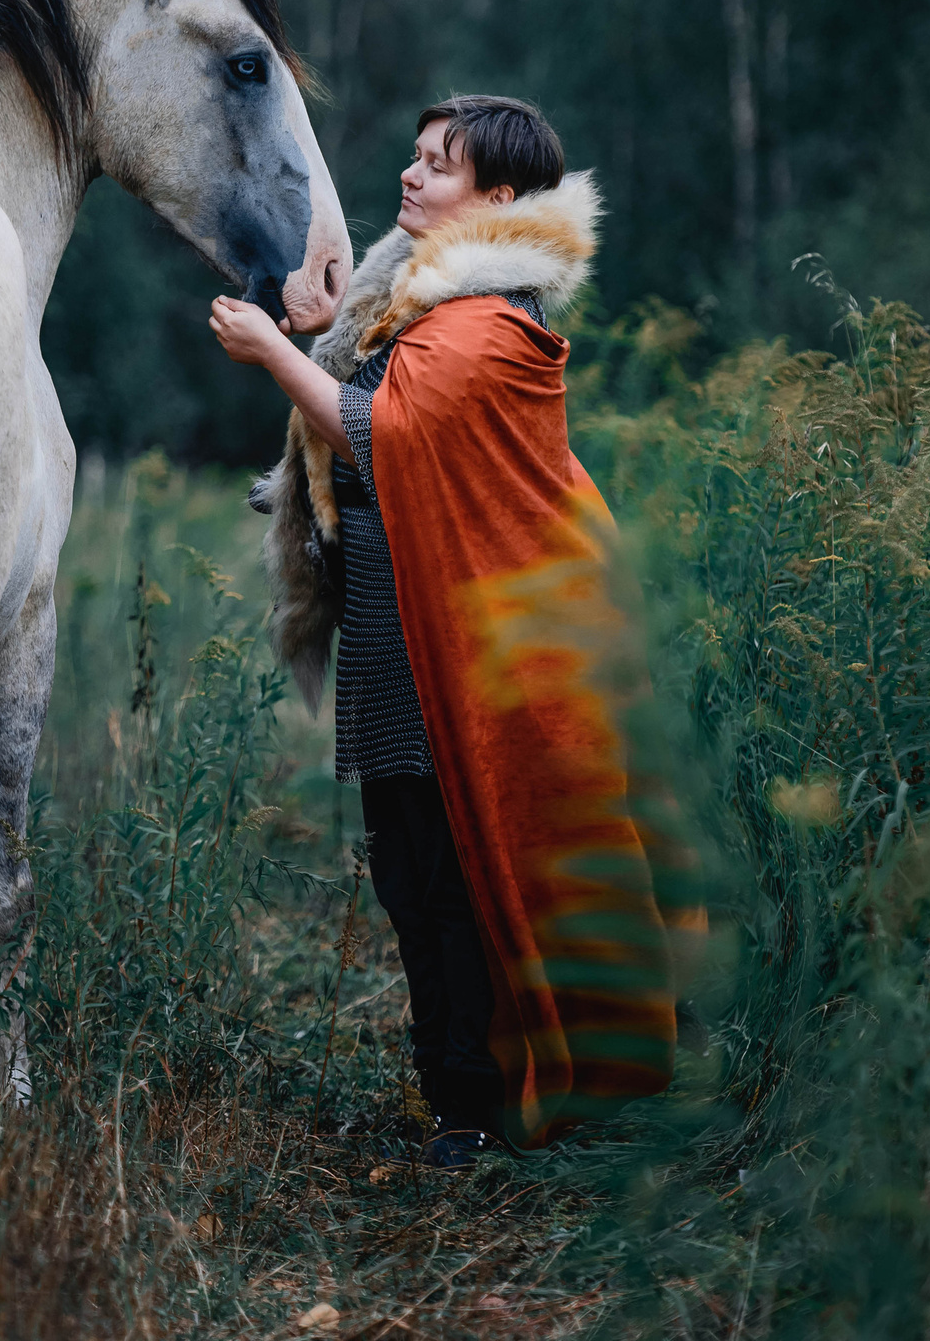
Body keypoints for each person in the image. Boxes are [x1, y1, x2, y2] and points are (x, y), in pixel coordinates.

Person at [213, 95, 699, 1168]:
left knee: (459, 881)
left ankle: (489, 1107)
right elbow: (361, 418)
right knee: (413, 881)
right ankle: (459, 1099)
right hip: (401, 639)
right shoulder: (420, 312)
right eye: (415, 157)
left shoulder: (489, 327)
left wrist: (271, 356)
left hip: (468, 661)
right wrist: (317, 332)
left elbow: (374, 437)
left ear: (501, 199)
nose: (411, 176)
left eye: (440, 166)